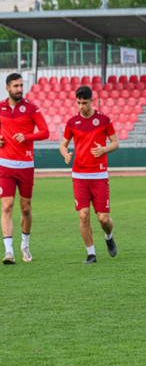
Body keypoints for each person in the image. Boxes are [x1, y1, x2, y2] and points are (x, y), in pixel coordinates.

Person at [59, 86, 119, 264]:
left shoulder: (103, 120)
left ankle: (108, 236)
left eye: (84, 103)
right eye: (78, 103)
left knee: (104, 219)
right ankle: (91, 254)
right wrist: (66, 154)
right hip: (79, 175)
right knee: (83, 215)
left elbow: (116, 142)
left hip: (99, 175)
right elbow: (63, 145)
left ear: (91, 101)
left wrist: (104, 149)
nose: (81, 107)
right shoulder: (71, 122)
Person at [0, 73, 49, 264]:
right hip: (5, 166)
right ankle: (9, 252)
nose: (19, 89)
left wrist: (27, 137)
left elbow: (46, 132)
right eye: (15, 86)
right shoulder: (1, 108)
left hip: (26, 166)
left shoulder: (31, 108)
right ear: (7, 88)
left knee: (26, 209)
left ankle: (24, 246)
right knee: (6, 206)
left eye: (21, 86)